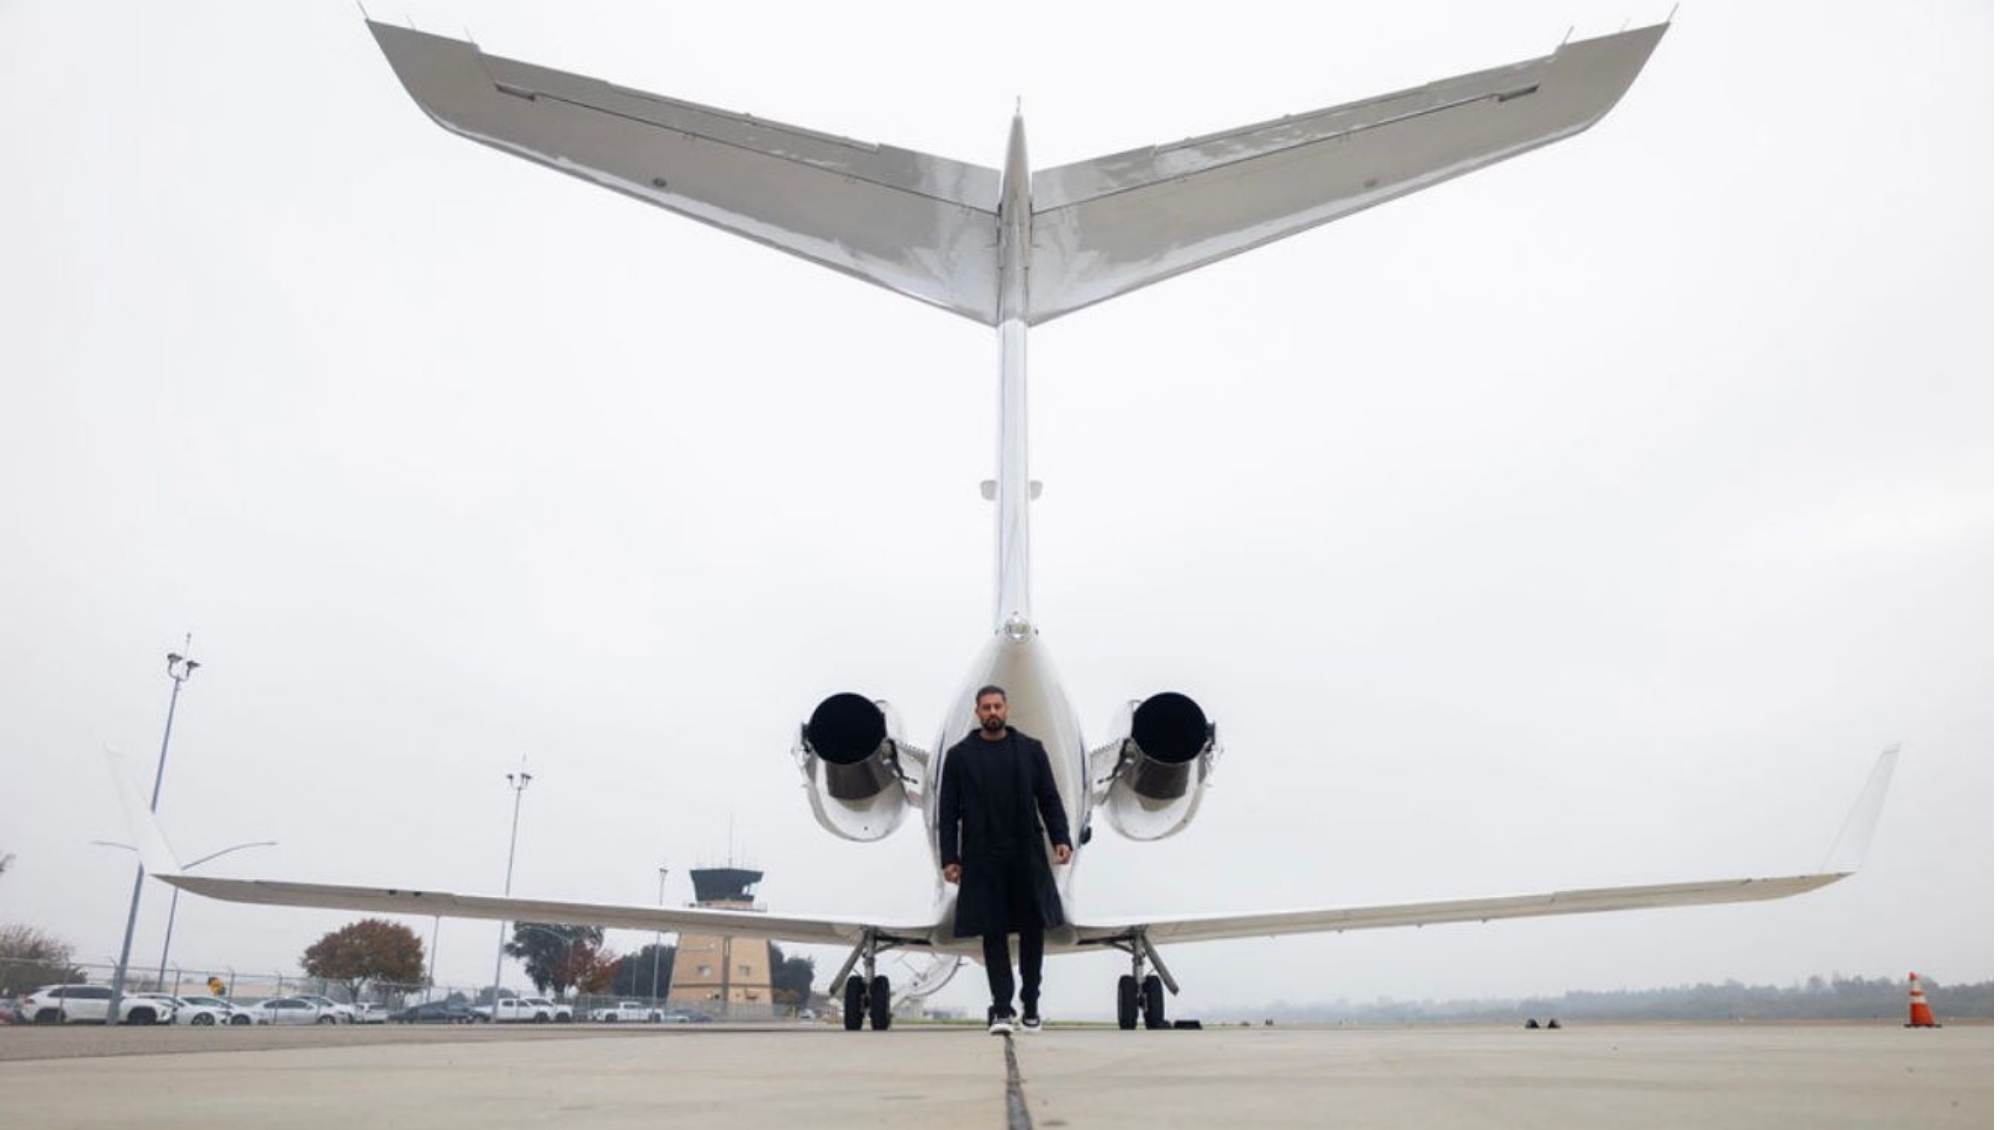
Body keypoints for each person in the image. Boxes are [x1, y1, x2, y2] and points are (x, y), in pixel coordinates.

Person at [937, 684, 1074, 1035]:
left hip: (1026, 853)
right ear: (977, 712)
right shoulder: (960, 756)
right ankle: (1001, 1009)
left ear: (1007, 709)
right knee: (992, 933)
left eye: (997, 706)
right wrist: (949, 858)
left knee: (1033, 931)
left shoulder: (1031, 751)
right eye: (986, 707)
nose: (992, 712)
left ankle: (1031, 1005)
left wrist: (1061, 838)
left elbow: (1049, 797)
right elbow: (948, 812)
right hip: (983, 856)